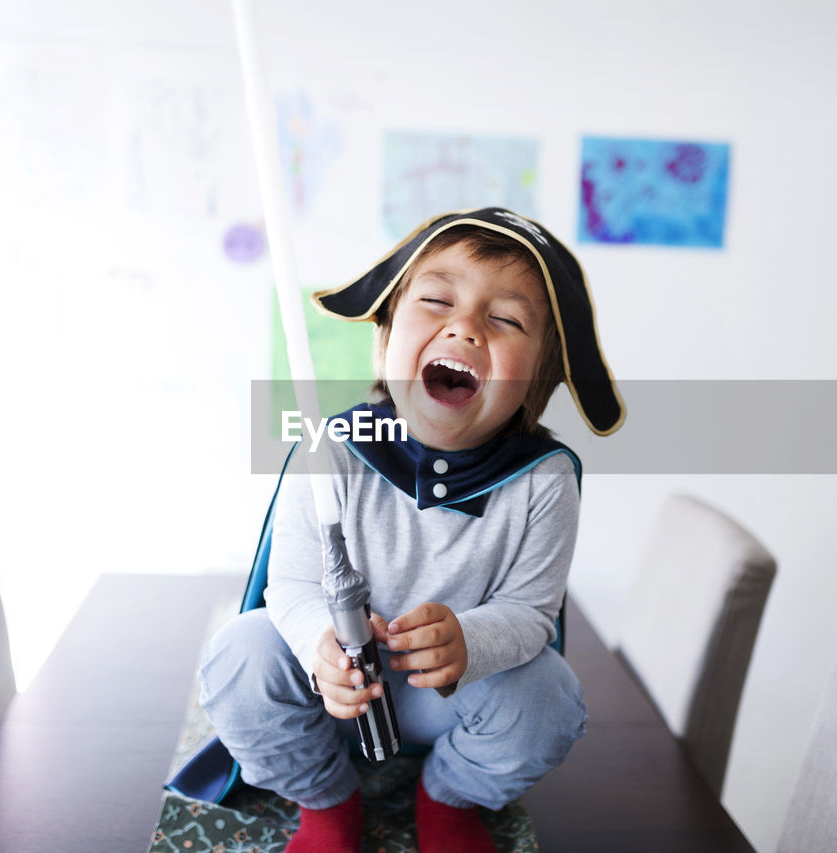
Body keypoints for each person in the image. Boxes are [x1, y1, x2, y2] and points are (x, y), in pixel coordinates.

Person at [198, 207, 625, 853]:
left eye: (505, 318)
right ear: (387, 334)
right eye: (435, 301)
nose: (465, 326)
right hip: (333, 699)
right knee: (241, 651)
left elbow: (530, 612)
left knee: (549, 695)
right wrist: (322, 646)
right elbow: (289, 582)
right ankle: (327, 798)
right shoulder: (334, 448)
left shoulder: (544, 479)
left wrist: (470, 638)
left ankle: (450, 796)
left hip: (449, 704)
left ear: (537, 379)